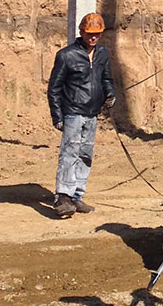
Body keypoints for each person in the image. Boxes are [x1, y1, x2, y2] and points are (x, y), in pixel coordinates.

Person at [47, 12, 116, 218]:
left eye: (96, 34)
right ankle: (63, 197)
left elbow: (106, 79)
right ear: (81, 32)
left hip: (91, 114)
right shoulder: (66, 55)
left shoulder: (102, 54)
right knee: (69, 153)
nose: (93, 37)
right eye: (89, 34)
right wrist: (57, 116)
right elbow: (54, 88)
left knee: (85, 155)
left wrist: (110, 93)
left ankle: (77, 195)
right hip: (73, 112)